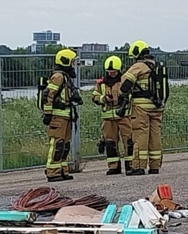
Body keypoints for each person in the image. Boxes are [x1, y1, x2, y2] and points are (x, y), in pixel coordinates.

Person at [119, 41, 168, 175]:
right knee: (155, 136)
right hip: (157, 107)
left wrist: (122, 95)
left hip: (141, 107)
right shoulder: (155, 65)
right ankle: (154, 166)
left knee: (140, 134)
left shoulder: (138, 66)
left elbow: (124, 85)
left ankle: (138, 166)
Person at [40, 48, 81, 181]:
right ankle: (53, 172)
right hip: (58, 116)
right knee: (57, 144)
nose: (73, 65)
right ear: (66, 61)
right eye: (72, 62)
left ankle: (62, 170)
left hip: (66, 116)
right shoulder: (58, 76)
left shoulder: (65, 76)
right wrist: (47, 113)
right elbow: (48, 95)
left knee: (65, 145)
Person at [91, 55, 130, 176]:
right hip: (108, 118)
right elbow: (95, 96)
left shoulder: (124, 80)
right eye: (109, 72)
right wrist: (103, 98)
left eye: (113, 72)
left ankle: (131, 165)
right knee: (110, 143)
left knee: (129, 141)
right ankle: (114, 167)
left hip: (124, 116)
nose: (111, 74)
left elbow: (131, 94)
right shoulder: (101, 83)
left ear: (118, 70)